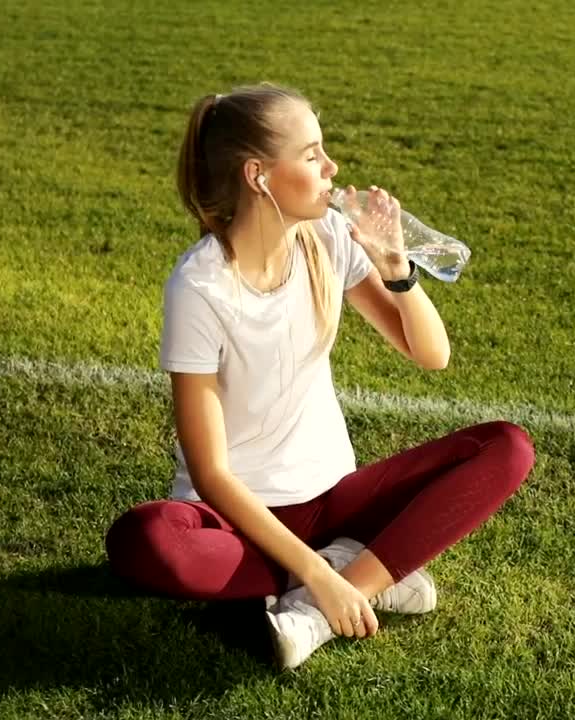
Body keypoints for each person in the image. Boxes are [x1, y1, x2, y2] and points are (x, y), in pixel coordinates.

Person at [104, 83, 535, 669]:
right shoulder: (200, 288)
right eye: (311, 155)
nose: (332, 168)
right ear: (258, 176)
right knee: (144, 539)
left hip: (333, 499)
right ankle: (358, 569)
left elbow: (431, 355)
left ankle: (319, 605)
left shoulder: (327, 239)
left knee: (505, 448)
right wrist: (313, 569)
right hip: (240, 521)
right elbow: (209, 473)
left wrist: (398, 270)